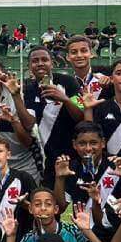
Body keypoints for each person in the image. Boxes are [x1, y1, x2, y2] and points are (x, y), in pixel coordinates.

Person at [23, 46, 83, 183]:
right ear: (29, 66)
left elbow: (81, 117)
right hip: (49, 156)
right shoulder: (28, 88)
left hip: (74, 153)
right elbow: (28, 123)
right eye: (35, 61)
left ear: (52, 63)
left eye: (44, 59)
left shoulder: (68, 82)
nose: (40, 63)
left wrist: (64, 99)